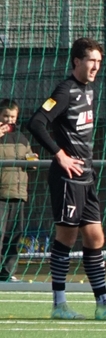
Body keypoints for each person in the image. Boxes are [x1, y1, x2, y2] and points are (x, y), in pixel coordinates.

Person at [28, 37, 106, 320]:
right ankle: (59, 305)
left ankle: (103, 304)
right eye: (91, 60)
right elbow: (37, 122)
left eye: (99, 61)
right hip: (67, 178)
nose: (96, 67)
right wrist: (60, 155)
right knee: (67, 236)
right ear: (77, 61)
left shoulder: (88, 90)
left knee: (95, 236)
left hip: (86, 177)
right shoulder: (64, 90)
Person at [1, 99, 37, 282]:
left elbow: (29, 158)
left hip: (18, 194)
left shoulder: (22, 138)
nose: (9, 120)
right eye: (5, 116)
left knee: (14, 235)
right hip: (1, 194)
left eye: (13, 116)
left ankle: (7, 272)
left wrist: (32, 160)